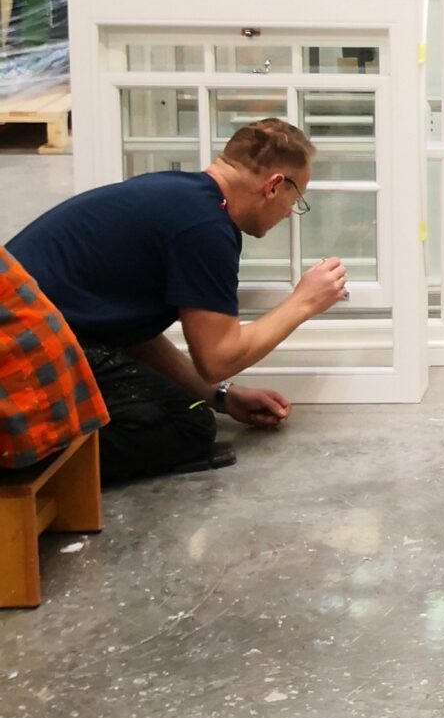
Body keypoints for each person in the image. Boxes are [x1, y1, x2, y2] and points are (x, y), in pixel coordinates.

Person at [5, 117, 348, 486]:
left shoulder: (183, 197)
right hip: (20, 351)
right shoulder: (205, 228)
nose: (288, 213)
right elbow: (218, 358)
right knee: (187, 425)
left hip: (31, 334)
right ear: (274, 186)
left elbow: (135, 335)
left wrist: (219, 397)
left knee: (190, 406)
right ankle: (26, 464)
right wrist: (303, 303)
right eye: (295, 200)